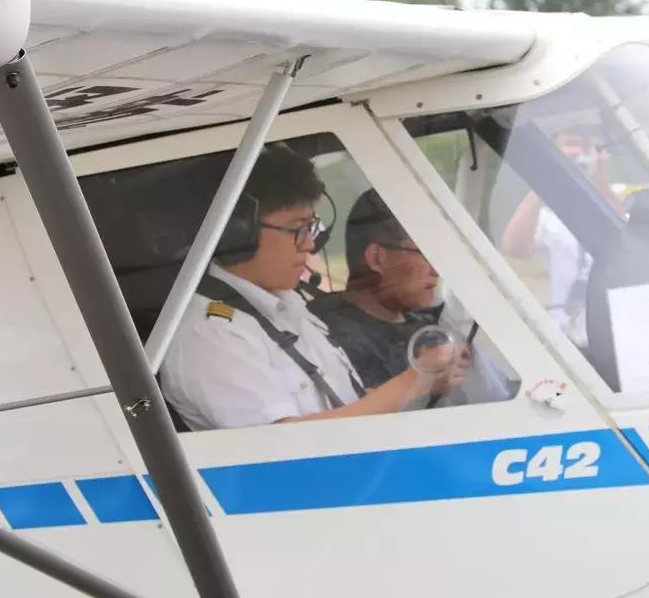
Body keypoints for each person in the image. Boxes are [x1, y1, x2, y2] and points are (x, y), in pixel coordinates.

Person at [161, 145, 464, 431]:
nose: (308, 244)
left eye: (312, 227)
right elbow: (288, 445)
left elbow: (344, 405)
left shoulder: (287, 307)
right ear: (237, 231)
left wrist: (424, 380)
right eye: (297, 229)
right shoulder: (211, 335)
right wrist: (414, 381)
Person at [308, 189, 450, 390]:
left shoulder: (430, 324)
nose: (436, 270)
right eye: (424, 253)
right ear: (377, 258)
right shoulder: (327, 334)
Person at [500, 130, 623, 346]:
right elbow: (514, 248)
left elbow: (622, 235)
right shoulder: (549, 217)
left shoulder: (620, 196)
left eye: (585, 146)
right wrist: (544, 181)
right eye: (569, 144)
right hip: (567, 338)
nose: (577, 152)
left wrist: (599, 173)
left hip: (617, 334)